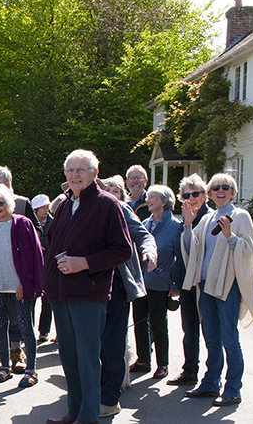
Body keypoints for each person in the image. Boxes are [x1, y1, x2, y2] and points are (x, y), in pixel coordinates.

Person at [44, 150, 132, 424]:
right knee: (69, 357)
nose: (74, 175)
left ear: (95, 173)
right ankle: (75, 411)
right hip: (60, 293)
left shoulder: (108, 204)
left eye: (81, 170)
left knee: (88, 358)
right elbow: (52, 246)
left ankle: (89, 416)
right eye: (70, 170)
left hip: (88, 293)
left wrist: (84, 263)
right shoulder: (63, 205)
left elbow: (123, 250)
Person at [181, 173, 253, 407]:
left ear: (233, 192)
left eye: (226, 187)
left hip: (227, 286)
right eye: (215, 188)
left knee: (229, 339)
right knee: (211, 338)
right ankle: (210, 383)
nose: (220, 190)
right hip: (205, 286)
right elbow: (191, 249)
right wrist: (187, 225)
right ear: (210, 194)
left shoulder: (240, 216)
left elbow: (249, 249)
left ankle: (233, 388)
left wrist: (230, 236)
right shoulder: (207, 219)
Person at [97, 176, 156, 419]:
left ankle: (109, 398)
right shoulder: (73, 208)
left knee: (112, 343)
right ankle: (90, 392)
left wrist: (149, 251)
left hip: (115, 285)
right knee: (89, 344)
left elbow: (143, 234)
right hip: (82, 286)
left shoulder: (120, 208)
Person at [0, 166, 40, 374]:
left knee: (24, 326)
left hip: (19, 286)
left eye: (0, 203)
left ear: (9, 203)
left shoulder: (23, 223)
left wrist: (26, 282)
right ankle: (4, 367)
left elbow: (33, 255)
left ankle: (31, 370)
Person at [135, 185, 183, 380]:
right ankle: (143, 360)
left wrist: (175, 285)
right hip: (141, 283)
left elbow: (180, 258)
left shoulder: (175, 226)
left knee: (158, 323)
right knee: (139, 322)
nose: (149, 198)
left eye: (153, 196)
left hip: (161, 282)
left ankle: (162, 364)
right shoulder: (145, 222)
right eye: (149, 196)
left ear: (164, 202)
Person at [168, 174, 211, 386]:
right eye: (186, 194)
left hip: (206, 284)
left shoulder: (210, 217)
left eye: (196, 193)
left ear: (205, 195)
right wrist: (175, 282)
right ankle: (190, 371)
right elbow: (179, 253)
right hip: (186, 283)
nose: (192, 198)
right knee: (189, 330)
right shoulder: (182, 220)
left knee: (211, 331)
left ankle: (212, 378)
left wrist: (190, 224)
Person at [32, 194, 55, 343]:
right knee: (31, 299)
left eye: (47, 206)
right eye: (43, 207)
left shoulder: (53, 222)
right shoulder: (30, 223)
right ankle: (28, 331)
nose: (46, 210)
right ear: (35, 209)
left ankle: (44, 331)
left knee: (48, 300)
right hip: (33, 265)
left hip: (49, 265)